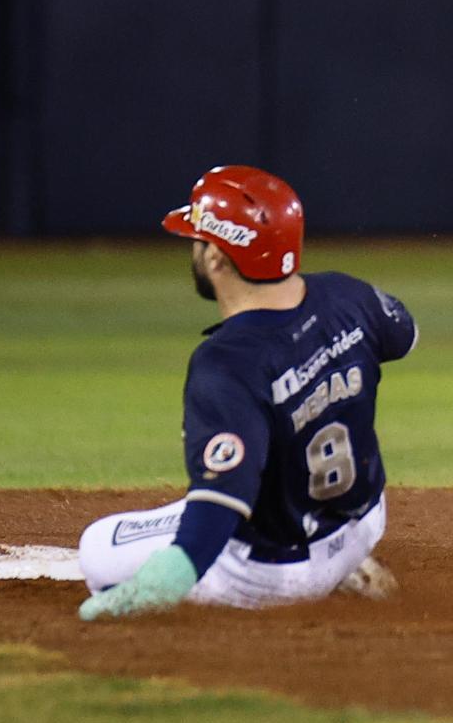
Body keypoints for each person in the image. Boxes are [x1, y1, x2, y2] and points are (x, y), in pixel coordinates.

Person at [76, 164, 416, 618]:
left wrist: (166, 580)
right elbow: (404, 334)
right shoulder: (348, 296)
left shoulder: (227, 364)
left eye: (198, 240)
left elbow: (219, 506)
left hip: (274, 577)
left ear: (217, 257)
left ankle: (305, 586)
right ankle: (346, 569)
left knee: (98, 546)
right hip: (363, 525)